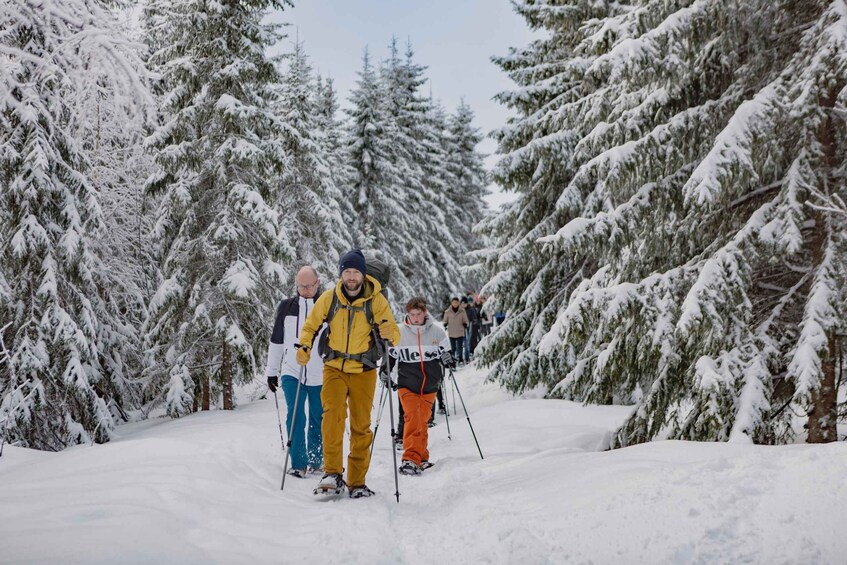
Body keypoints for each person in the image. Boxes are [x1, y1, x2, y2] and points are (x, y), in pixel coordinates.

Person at [296, 249, 400, 498]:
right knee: (331, 417)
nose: (351, 277)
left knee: (361, 427)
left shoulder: (376, 301)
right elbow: (311, 325)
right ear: (341, 273)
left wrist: (388, 332)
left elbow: (395, 335)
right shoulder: (330, 298)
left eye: (355, 272)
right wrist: (304, 346)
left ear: (362, 274)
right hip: (334, 367)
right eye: (347, 271)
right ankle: (332, 473)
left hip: (364, 370)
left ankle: (357, 482)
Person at [266, 266, 327, 477]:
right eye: (301, 286)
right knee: (296, 416)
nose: (306, 290)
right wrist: (271, 371)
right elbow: (276, 340)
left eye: (310, 286)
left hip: (320, 373)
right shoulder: (286, 307)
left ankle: (316, 460)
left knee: (318, 417)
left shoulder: (327, 305)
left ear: (317, 283)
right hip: (292, 370)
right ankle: (299, 464)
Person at [389, 297, 453, 475]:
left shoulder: (437, 333)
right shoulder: (399, 333)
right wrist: (385, 373)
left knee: (422, 421)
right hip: (407, 384)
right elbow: (391, 358)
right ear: (407, 314)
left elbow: (447, 354)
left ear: (425, 313)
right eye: (412, 314)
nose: (415, 318)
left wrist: (448, 359)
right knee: (413, 418)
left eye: (418, 314)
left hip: (430, 385)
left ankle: (422, 457)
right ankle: (410, 459)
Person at [443, 297, 469, 364]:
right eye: (454, 302)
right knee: (453, 348)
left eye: (456, 302)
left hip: (460, 331)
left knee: (460, 347)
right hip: (452, 332)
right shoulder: (447, 312)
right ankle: (453, 360)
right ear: (451, 303)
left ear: (458, 303)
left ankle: (460, 359)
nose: (455, 304)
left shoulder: (462, 311)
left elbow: (466, 320)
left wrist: (465, 324)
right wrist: (445, 324)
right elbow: (444, 320)